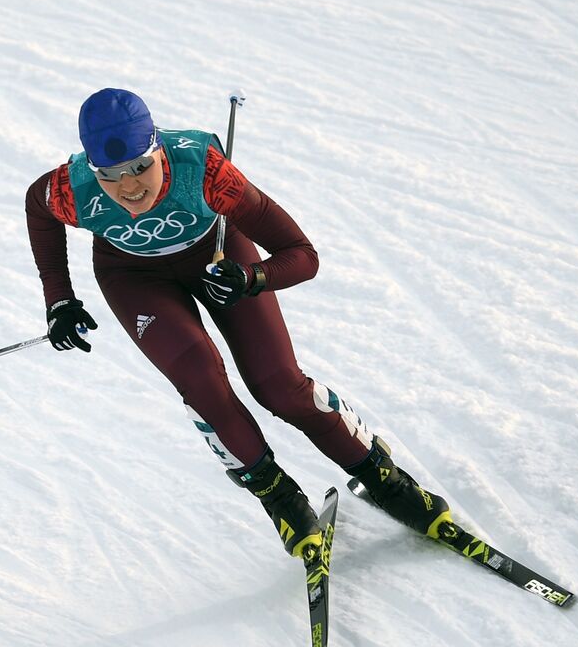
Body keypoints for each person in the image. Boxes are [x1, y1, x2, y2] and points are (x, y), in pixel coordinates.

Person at [25, 87, 450, 563]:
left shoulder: (204, 171)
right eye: (111, 176)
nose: (129, 187)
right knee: (201, 378)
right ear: (92, 167)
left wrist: (252, 278)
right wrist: (59, 299)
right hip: (133, 277)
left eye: (142, 166)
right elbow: (36, 207)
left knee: (278, 386)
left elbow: (303, 256)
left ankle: (384, 478)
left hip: (218, 258)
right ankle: (281, 500)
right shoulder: (70, 188)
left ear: (158, 149)